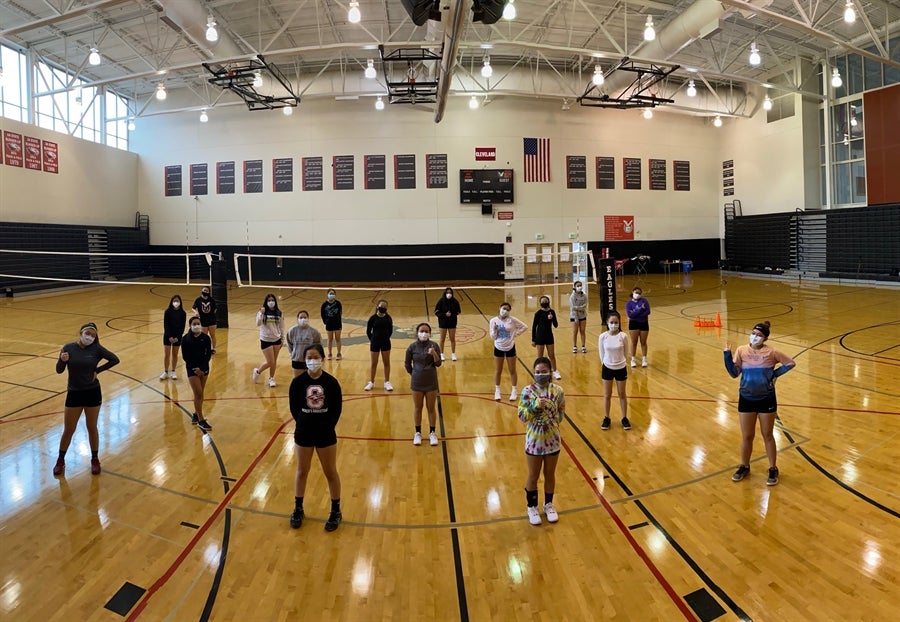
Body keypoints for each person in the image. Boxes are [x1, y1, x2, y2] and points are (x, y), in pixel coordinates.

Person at [724, 321, 796, 486]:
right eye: (753, 333)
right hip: (746, 398)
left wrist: (775, 374)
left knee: (767, 435)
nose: (755, 336)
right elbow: (734, 373)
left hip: (766, 399)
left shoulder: (772, 352)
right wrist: (727, 357)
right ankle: (744, 466)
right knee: (747, 436)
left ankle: (772, 468)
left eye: (759, 335)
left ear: (765, 338)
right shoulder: (742, 350)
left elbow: (791, 363)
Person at [53, 322, 120, 476]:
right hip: (74, 393)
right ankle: (60, 460)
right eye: (87, 333)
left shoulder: (96, 349)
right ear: (81, 333)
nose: (89, 337)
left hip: (92, 393)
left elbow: (115, 359)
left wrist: (98, 370)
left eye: (93, 335)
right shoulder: (69, 347)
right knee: (69, 429)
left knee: (92, 427)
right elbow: (58, 370)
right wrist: (62, 360)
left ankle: (95, 459)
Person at [289, 344, 343, 531]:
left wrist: (326, 424)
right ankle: (298, 508)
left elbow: (337, 409)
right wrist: (304, 421)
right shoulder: (297, 383)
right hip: (303, 432)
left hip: (325, 433)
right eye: (309, 358)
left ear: (322, 358)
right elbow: (294, 408)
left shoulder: (331, 383)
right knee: (302, 471)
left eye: (315, 357)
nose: (312, 361)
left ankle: (336, 511)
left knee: (330, 472)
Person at [518, 356, 566, 526]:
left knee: (550, 474)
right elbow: (522, 416)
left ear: (550, 372)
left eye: (544, 371)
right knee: (533, 475)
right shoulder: (527, 392)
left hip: (553, 441)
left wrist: (550, 421)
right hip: (534, 443)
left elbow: (560, 413)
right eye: (537, 372)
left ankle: (548, 504)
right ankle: (531, 506)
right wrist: (535, 407)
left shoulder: (558, 391)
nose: (540, 375)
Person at [405, 322, 442, 446]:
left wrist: (434, 354)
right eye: (422, 331)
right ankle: (418, 433)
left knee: (431, 408)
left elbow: (438, 364)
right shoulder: (412, 347)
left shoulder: (435, 345)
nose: (424, 333)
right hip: (417, 382)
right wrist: (415, 373)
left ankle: (432, 433)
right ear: (417, 332)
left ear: (430, 333)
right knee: (418, 408)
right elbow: (407, 364)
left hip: (431, 381)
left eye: (426, 331)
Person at [489, 302, 528, 401]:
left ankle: (514, 391)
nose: (505, 310)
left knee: (512, 370)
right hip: (498, 347)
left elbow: (524, 327)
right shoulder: (493, 320)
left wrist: (515, 334)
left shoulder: (512, 320)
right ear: (499, 308)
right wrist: (494, 330)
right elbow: (493, 337)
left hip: (510, 347)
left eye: (507, 309)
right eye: (503, 308)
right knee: (498, 370)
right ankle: (497, 391)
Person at [598, 311, 630, 431]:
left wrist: (621, 362)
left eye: (616, 322)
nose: (614, 324)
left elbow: (626, 352)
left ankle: (624, 418)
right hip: (607, 368)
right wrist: (606, 363)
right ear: (607, 323)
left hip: (621, 368)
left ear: (619, 323)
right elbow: (601, 353)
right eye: (611, 322)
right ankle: (607, 418)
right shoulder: (603, 337)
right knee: (607, 395)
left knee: (622, 394)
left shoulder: (623, 336)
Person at [181, 316, 213, 431]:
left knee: (200, 393)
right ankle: (201, 420)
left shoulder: (206, 338)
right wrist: (196, 369)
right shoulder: (185, 339)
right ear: (190, 326)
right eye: (194, 324)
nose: (196, 325)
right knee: (198, 393)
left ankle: (195, 413)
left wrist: (202, 368)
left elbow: (208, 355)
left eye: (198, 323)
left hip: (204, 368)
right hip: (192, 369)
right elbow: (186, 357)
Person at [253, 293, 285, 387]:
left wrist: (282, 338)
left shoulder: (279, 313)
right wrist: (261, 313)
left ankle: (271, 378)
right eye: (269, 300)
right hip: (265, 340)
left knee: (274, 361)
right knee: (270, 361)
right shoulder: (262, 312)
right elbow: (258, 323)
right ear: (266, 302)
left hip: (276, 339)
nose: (271, 302)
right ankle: (258, 371)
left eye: (272, 300)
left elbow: (281, 327)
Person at [364, 299, 393, 391]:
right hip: (375, 343)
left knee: (386, 362)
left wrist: (385, 337)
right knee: (374, 363)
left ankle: (387, 382)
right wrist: (373, 339)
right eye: (381, 306)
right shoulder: (372, 318)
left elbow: (390, 331)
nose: (383, 308)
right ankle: (371, 382)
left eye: (385, 307)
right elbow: (368, 331)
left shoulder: (388, 318)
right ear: (377, 307)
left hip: (385, 343)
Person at [532, 294, 561, 379]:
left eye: (546, 301)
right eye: (543, 301)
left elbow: (556, 325)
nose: (544, 302)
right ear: (540, 303)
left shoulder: (552, 312)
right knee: (540, 356)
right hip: (540, 337)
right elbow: (534, 327)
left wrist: (552, 318)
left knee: (551, 355)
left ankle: (555, 371)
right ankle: (538, 372)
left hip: (549, 336)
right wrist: (533, 339)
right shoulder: (538, 313)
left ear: (548, 302)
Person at [286, 310, 323, 378]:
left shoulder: (314, 332)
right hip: (297, 360)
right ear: (297, 319)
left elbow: (318, 345)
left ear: (308, 318)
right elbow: (289, 344)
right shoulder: (292, 331)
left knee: (310, 380)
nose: (303, 319)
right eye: (301, 317)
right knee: (298, 380)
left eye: (305, 317)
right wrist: (293, 354)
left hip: (310, 361)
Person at [160, 294, 186, 380]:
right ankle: (166, 371)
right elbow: (166, 325)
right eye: (174, 301)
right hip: (168, 336)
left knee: (175, 354)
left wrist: (177, 337)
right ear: (171, 302)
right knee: (167, 355)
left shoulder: (183, 313)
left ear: (180, 302)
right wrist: (170, 336)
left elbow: (182, 326)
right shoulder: (167, 312)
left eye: (177, 301)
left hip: (177, 337)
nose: (176, 302)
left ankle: (173, 371)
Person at [625, 286, 651, 368]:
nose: (638, 294)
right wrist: (640, 309)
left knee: (643, 342)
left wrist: (636, 313)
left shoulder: (644, 301)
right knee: (634, 342)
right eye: (636, 292)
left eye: (639, 293)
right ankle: (633, 359)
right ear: (632, 292)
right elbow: (630, 315)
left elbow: (648, 311)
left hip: (643, 322)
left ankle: (644, 359)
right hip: (633, 323)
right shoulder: (629, 304)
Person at [434, 287, 461, 361]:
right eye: (447, 293)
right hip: (443, 323)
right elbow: (436, 312)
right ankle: (441, 354)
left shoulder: (455, 302)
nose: (449, 294)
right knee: (442, 339)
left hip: (452, 322)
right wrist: (444, 314)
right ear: (445, 293)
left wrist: (451, 314)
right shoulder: (441, 301)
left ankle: (453, 354)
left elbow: (458, 311)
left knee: (452, 339)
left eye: (450, 293)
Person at [191, 286, 218, 354]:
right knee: (204, 336)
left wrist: (212, 315)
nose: (204, 292)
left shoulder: (212, 300)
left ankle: (213, 349)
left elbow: (215, 309)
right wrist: (196, 312)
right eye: (203, 290)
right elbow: (193, 308)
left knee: (212, 335)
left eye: (206, 291)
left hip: (212, 320)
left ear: (209, 292)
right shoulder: (198, 300)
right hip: (203, 320)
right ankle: (205, 349)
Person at [320, 288, 343, 360]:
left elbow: (340, 312)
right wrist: (325, 322)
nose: (331, 295)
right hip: (329, 324)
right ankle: (329, 353)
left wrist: (338, 320)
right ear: (327, 294)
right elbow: (322, 314)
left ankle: (339, 353)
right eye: (330, 293)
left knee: (338, 339)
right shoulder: (324, 305)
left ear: (335, 295)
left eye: (333, 293)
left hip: (337, 324)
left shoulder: (338, 303)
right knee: (330, 339)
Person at [569, 281, 588, 353]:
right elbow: (573, 307)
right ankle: (574, 346)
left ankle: (583, 346)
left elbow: (585, 306)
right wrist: (576, 317)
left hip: (583, 315)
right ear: (574, 287)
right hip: (574, 316)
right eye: (578, 286)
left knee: (582, 331)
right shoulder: (572, 296)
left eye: (580, 285)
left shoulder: (584, 296)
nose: (580, 287)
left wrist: (578, 307)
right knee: (575, 331)